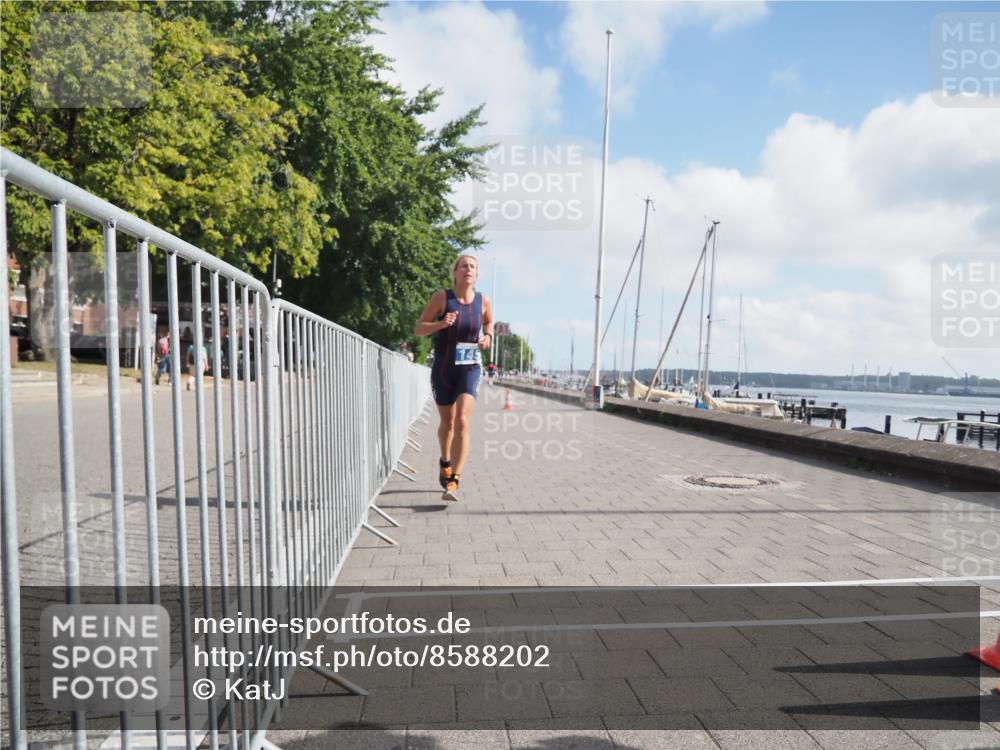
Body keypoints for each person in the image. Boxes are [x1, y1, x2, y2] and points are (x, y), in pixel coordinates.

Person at [414, 254, 493, 502]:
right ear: (455, 272)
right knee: (446, 424)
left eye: (473, 267)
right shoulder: (442, 298)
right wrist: (440, 324)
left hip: (470, 367)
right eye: (464, 266)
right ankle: (444, 460)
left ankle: (454, 480)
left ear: (476, 274)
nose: (468, 269)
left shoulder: (483, 301)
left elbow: (489, 323)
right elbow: (418, 329)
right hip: (444, 368)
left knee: (462, 422)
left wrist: (488, 337)